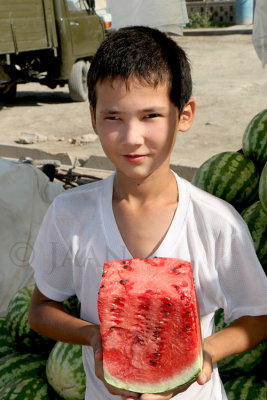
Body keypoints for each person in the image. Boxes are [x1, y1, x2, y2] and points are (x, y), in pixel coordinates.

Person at [28, 26, 267, 400]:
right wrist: (92, 336)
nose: (131, 137)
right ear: (92, 117)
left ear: (184, 114)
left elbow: (258, 316)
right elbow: (41, 309)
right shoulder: (69, 214)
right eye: (113, 118)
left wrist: (204, 354)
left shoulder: (217, 223)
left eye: (150, 115)